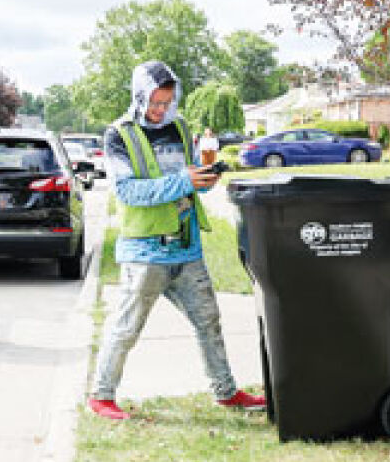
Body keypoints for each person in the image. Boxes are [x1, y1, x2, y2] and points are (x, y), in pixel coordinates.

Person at [88, 61, 265, 420]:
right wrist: (185, 180)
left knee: (209, 321)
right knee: (126, 328)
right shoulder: (118, 135)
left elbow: (191, 175)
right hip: (146, 251)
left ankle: (226, 392)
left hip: (187, 246)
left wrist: (206, 176)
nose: (161, 110)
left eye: (167, 102)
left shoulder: (181, 127)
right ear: (139, 96)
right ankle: (101, 396)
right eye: (154, 102)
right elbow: (127, 191)